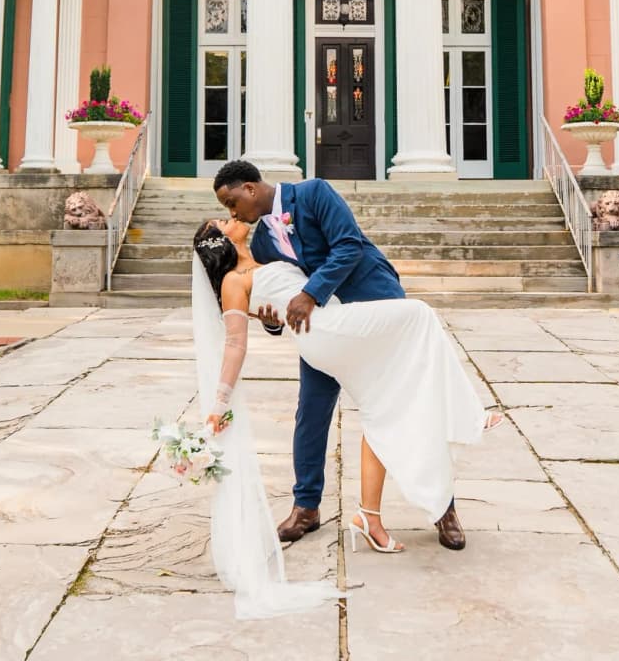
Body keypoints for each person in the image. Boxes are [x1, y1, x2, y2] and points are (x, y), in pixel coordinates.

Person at [191, 215, 498, 589]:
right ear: (217, 240)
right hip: (327, 329)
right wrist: (219, 404)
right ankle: (467, 416)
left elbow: (280, 296)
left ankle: (377, 517)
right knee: (420, 315)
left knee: (388, 407)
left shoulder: (264, 249)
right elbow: (237, 342)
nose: (232, 215)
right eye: (223, 218)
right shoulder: (231, 280)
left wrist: (270, 314)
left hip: (334, 322)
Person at [214, 159, 474, 552]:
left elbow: (348, 245)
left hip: (373, 303)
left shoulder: (314, 193)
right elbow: (281, 290)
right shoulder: (264, 244)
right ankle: (306, 508)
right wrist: (271, 320)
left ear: (250, 188)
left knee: (407, 407)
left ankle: (444, 509)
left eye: (232, 202)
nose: (232, 213)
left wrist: (310, 294)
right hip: (326, 327)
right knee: (311, 412)